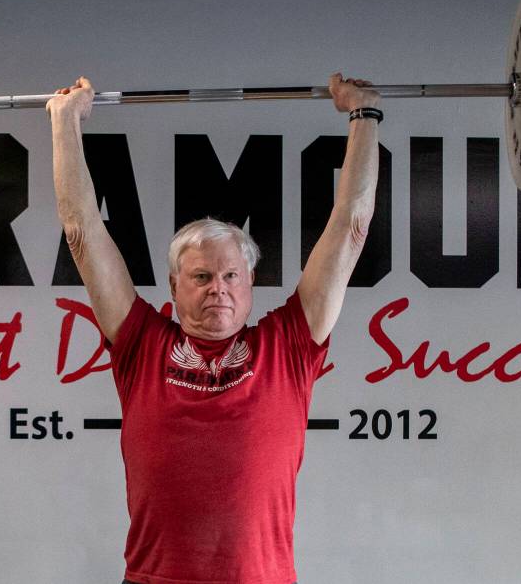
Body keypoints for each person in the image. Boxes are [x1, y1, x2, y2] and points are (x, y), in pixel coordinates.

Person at [47, 73, 381, 584]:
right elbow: (82, 233)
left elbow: (351, 226)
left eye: (231, 276)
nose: (217, 289)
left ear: (250, 284)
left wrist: (363, 116)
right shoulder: (141, 344)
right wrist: (65, 121)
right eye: (201, 277)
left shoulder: (289, 343)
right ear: (174, 287)